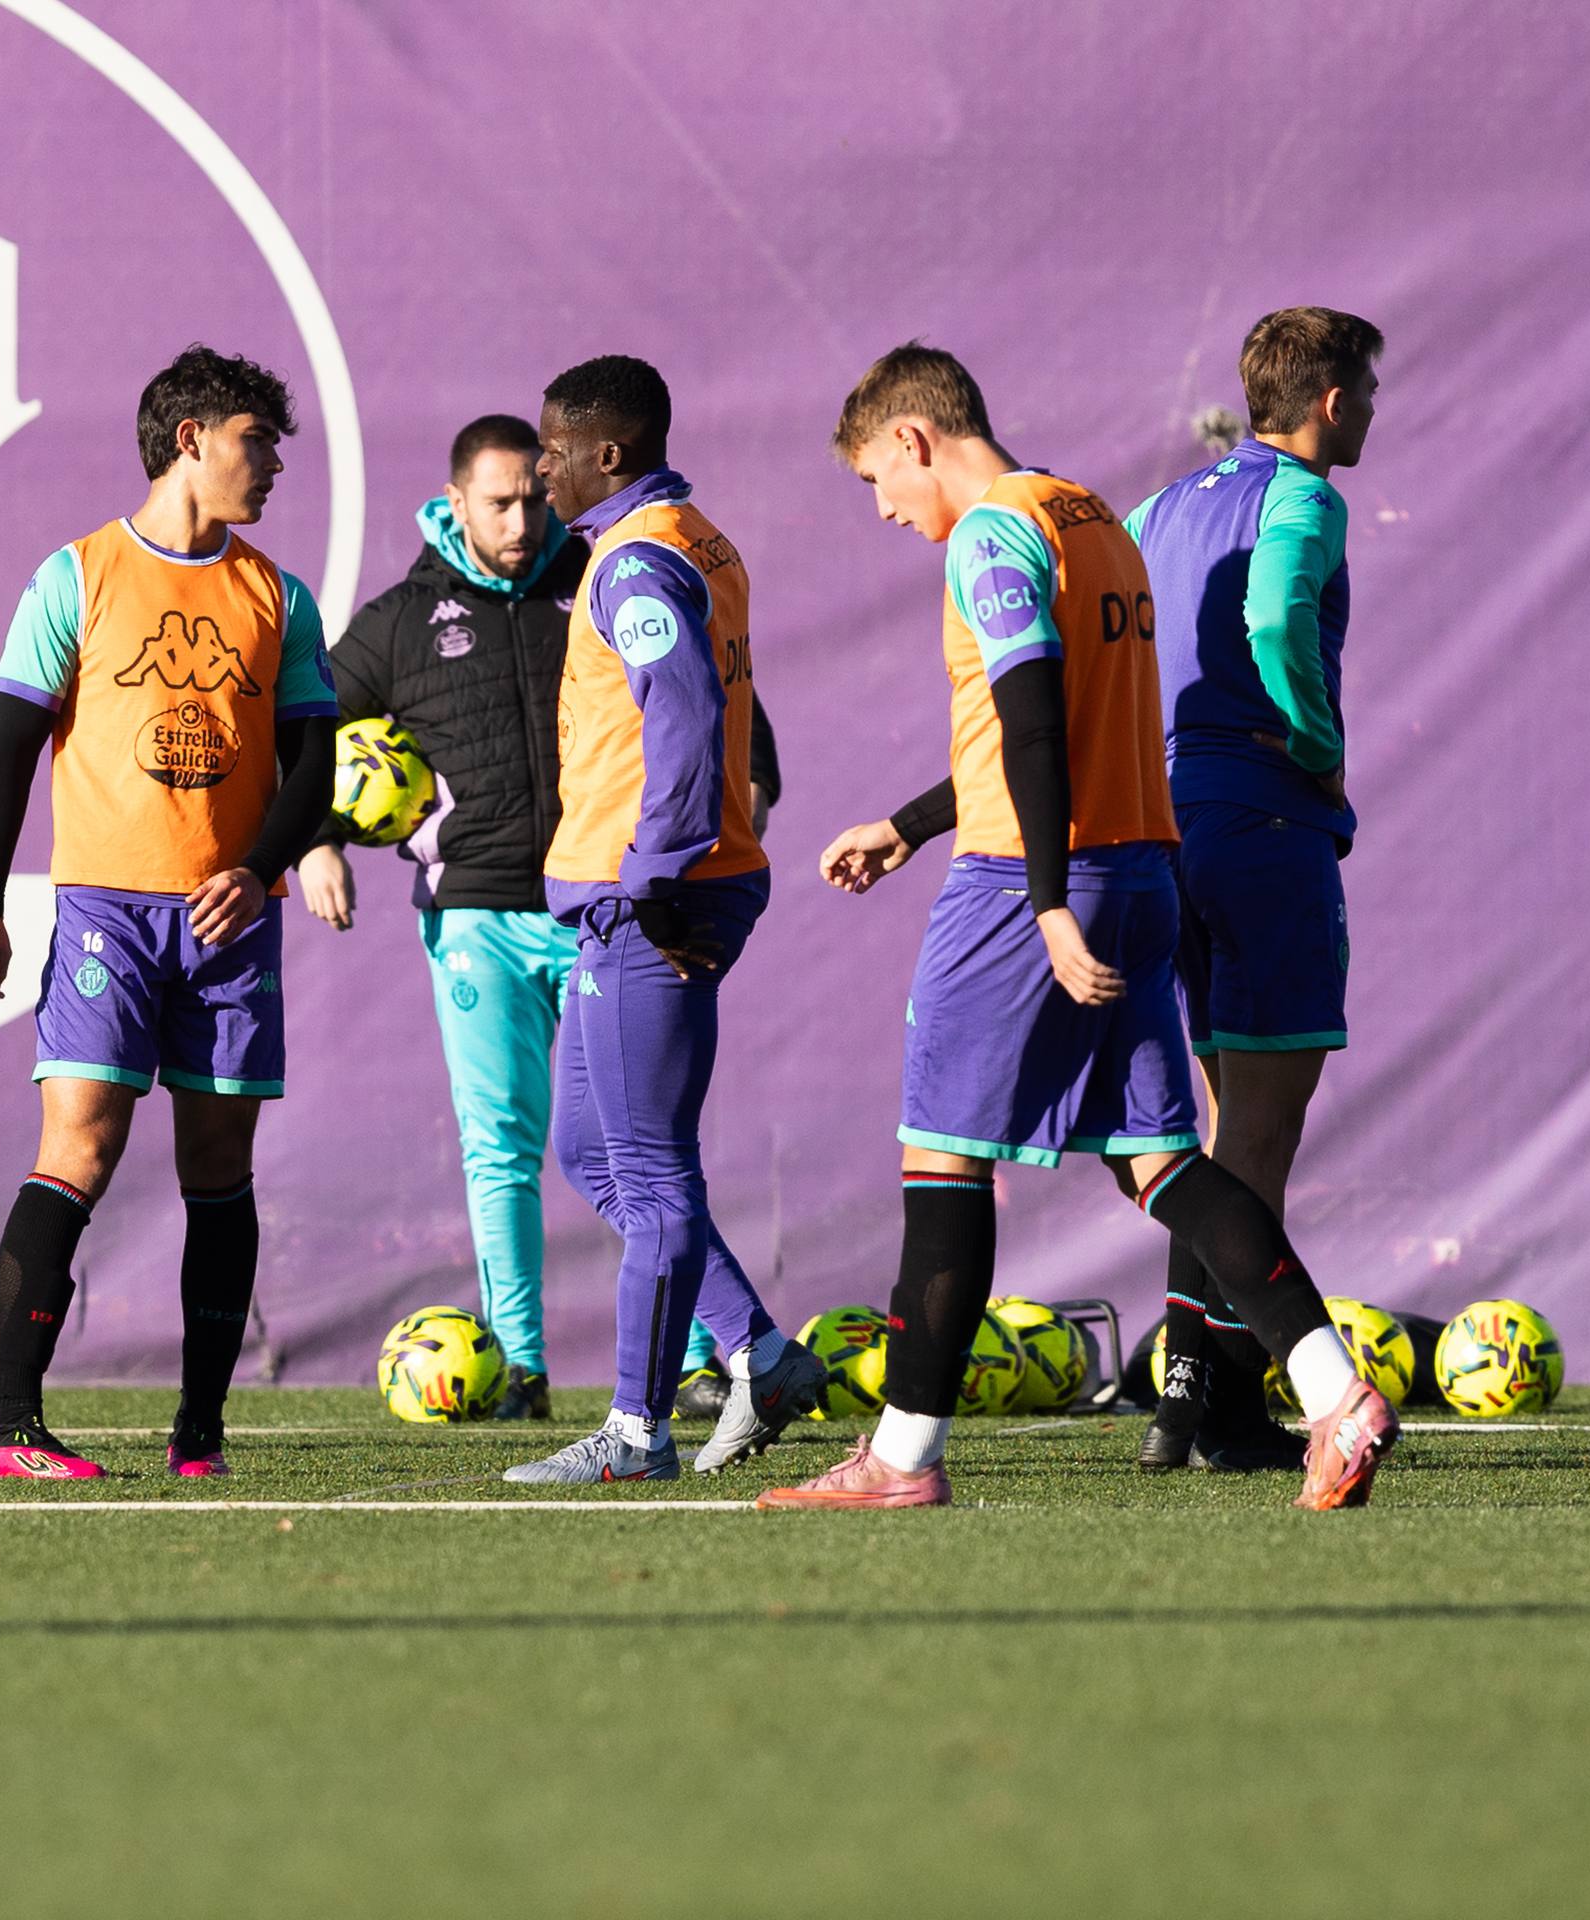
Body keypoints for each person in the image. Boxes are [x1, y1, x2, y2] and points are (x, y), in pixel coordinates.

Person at [758, 343, 1393, 1512]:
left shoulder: (994, 532)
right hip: (1142, 869)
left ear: (911, 439)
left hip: (1021, 886)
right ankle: (1334, 1392)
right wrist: (907, 825)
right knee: (1160, 1161)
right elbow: (1068, 728)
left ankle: (898, 1459)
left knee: (941, 1158)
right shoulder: (1095, 515)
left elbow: (1035, 724)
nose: (884, 509)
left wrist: (1043, 901)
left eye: (872, 481)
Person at [299, 415, 782, 1423]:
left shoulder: (602, 571)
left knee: (637, 1147)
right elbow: (303, 728)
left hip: (608, 907)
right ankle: (521, 1366)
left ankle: (705, 1356)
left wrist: (742, 796)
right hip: (474, 914)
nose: (522, 519)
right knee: (506, 1147)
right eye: (498, 503)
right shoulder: (400, 620)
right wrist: (314, 840)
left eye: (532, 494)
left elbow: (720, 702)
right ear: (454, 504)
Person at [0, 345, 340, 1481]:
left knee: (218, 1166)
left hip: (230, 921)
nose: (269, 467)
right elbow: (9, 758)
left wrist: (260, 864)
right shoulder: (72, 578)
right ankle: (7, 1426)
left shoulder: (280, 595)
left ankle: (200, 1435)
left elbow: (314, 764)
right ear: (191, 441)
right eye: (255, 443)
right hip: (107, 916)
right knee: (80, 1141)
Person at [498, 354, 825, 1484]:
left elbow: (682, 715)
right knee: (592, 1150)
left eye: (549, 448)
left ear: (608, 452)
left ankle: (635, 1434)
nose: (538, 469)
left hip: (651, 897)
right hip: (636, 891)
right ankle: (760, 1354)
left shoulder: (634, 563)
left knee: (647, 1168)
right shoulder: (687, 537)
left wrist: (657, 872)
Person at [1121, 308, 1384, 1473]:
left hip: (1166, 828)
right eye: (1366, 392)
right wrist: (1312, 741)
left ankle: (1189, 1402)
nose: (1373, 411)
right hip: (1261, 824)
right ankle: (1212, 1409)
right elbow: (1274, 613)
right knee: (1257, 1142)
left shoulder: (1162, 508)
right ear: (1329, 402)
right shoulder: (1305, 500)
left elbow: (1102, 637)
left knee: (1221, 1133)